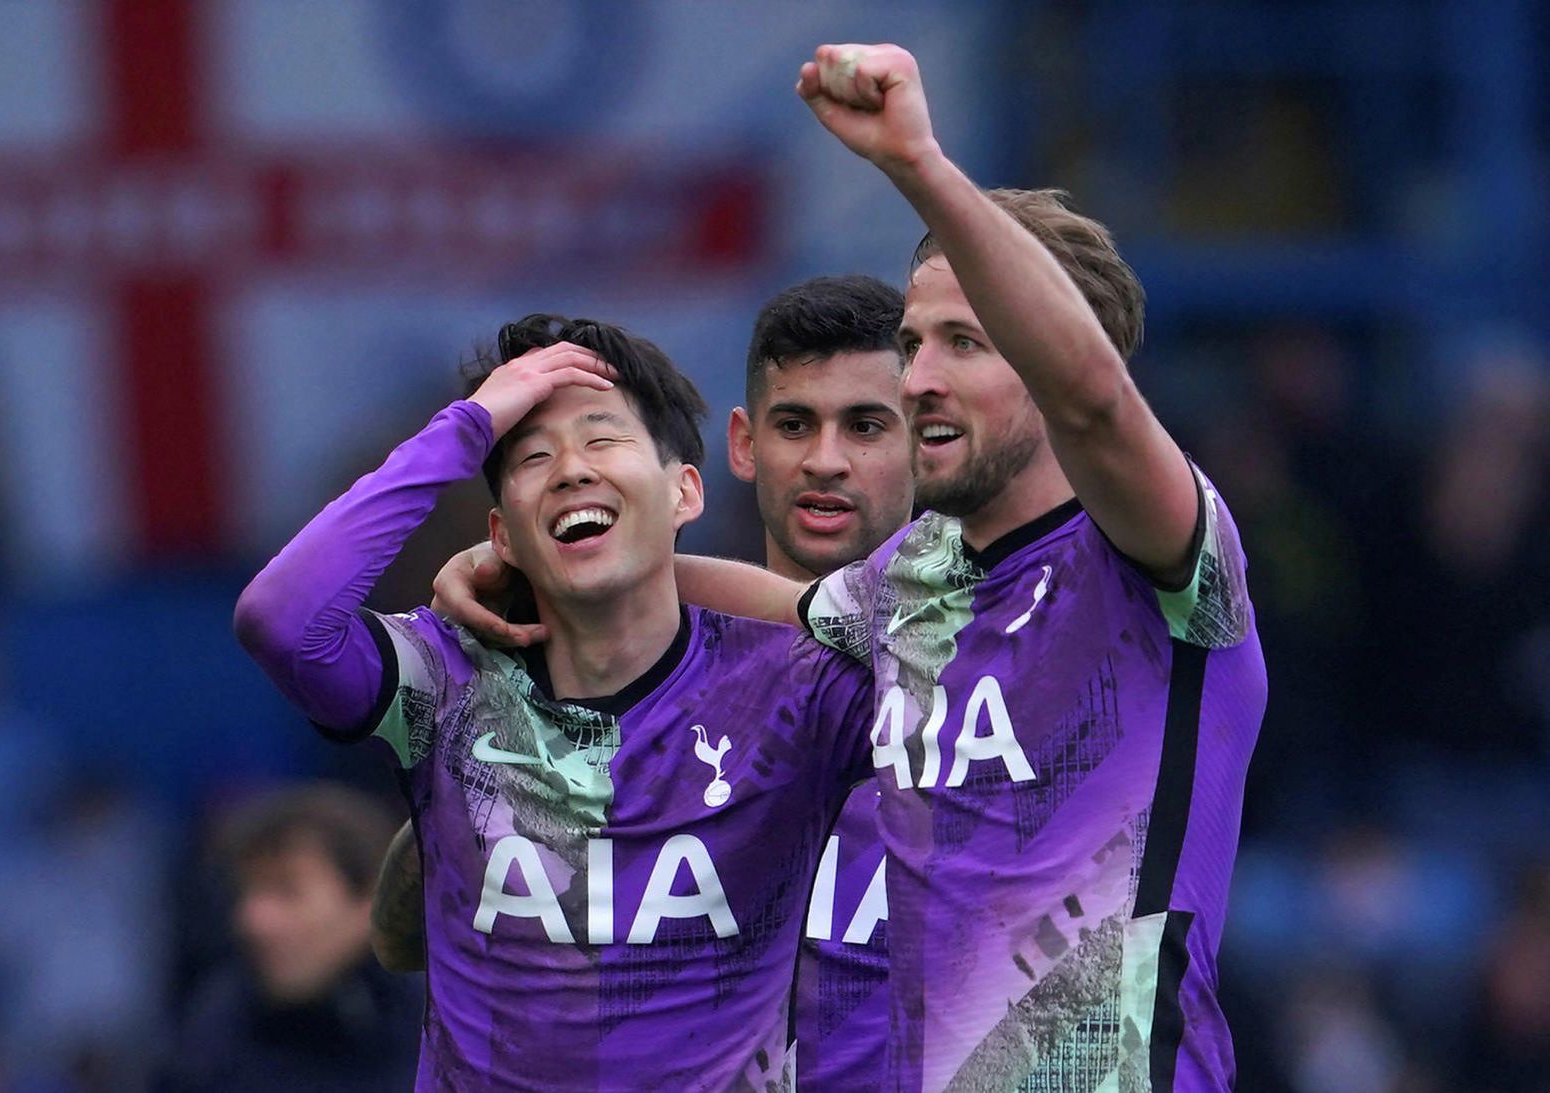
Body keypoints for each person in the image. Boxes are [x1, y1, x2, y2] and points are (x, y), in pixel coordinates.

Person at [436, 42, 1267, 1090]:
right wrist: (551, 563)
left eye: (964, 342)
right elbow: (780, 605)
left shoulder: (1163, 563)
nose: (919, 378)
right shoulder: (912, 579)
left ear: (1054, 355)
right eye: (913, 343)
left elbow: (1096, 402)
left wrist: (917, 162)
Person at [234, 314, 873, 1090]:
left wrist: (660, 568)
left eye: (602, 440)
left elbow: (937, 652)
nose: (571, 469)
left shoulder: (795, 685)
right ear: (501, 532)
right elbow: (282, 620)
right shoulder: (445, 677)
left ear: (686, 491)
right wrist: (466, 429)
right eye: (533, 455)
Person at [153, 784, 421, 1093]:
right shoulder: (209, 1035)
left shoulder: (450, 1030)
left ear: (372, 901)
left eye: (286, 891)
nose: (252, 920)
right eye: (244, 892)